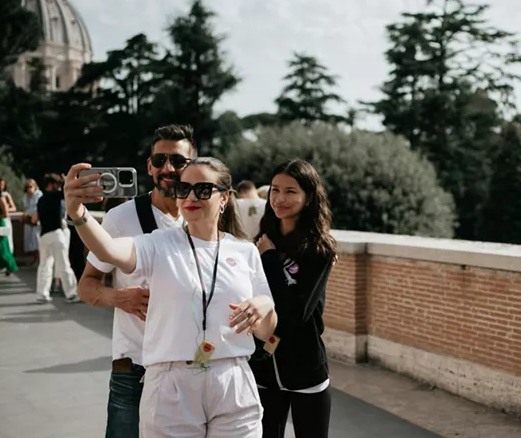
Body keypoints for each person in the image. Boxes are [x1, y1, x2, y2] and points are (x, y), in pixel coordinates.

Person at [65, 156, 277, 438]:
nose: (190, 196)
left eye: (202, 189)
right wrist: (78, 213)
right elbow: (107, 251)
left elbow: (267, 329)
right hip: (172, 384)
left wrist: (265, 304)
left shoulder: (244, 251)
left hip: (233, 382)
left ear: (224, 198)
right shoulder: (157, 244)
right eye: (183, 188)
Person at [77, 124, 194, 438]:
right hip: (136, 369)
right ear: (149, 165)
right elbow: (86, 285)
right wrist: (118, 298)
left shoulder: (201, 217)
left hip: (191, 369)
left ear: (192, 165)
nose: (167, 168)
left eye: (178, 161)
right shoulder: (122, 217)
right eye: (160, 160)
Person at [252, 159, 338, 438]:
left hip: (305, 370)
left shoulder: (319, 250)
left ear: (308, 196)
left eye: (290, 191)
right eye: (275, 190)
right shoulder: (262, 239)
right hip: (265, 368)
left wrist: (269, 259)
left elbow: (296, 312)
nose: (279, 199)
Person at [32, 173, 81, 303]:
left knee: (44, 265)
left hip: (43, 235)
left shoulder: (41, 199)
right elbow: (67, 190)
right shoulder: (56, 196)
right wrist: (66, 179)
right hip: (56, 234)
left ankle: (42, 294)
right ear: (52, 185)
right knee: (64, 263)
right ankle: (71, 293)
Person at [22, 179, 43, 263]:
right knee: (32, 241)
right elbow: (26, 208)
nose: (29, 189)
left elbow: (37, 208)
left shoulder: (39, 195)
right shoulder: (26, 196)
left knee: (38, 241)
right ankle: (34, 259)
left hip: (37, 221)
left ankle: (39, 260)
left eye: (30, 187)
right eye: (27, 187)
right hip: (29, 221)